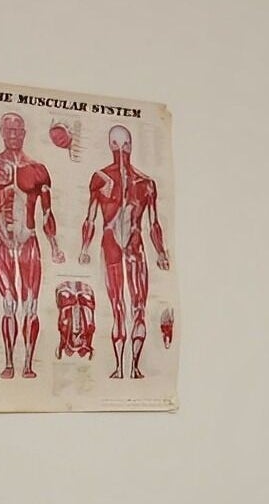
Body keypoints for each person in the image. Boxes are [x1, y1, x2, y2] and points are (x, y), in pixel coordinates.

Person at [0, 113, 64, 379]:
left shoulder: (38, 169)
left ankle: (28, 364)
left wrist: (54, 246)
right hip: (0, 241)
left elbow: (47, 213)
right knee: (9, 303)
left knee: (30, 305)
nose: (13, 134)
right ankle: (10, 362)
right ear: (1, 131)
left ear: (24, 133)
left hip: (28, 241)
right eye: (8, 129)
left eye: (17, 129)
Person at [79, 125, 170, 380]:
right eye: (117, 144)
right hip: (112, 246)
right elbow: (90, 218)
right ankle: (120, 367)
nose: (121, 150)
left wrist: (161, 252)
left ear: (130, 146)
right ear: (111, 146)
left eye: (125, 144)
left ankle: (134, 367)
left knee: (138, 306)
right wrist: (84, 248)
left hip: (134, 245)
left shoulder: (146, 183)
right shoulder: (100, 178)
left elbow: (153, 223)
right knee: (118, 307)